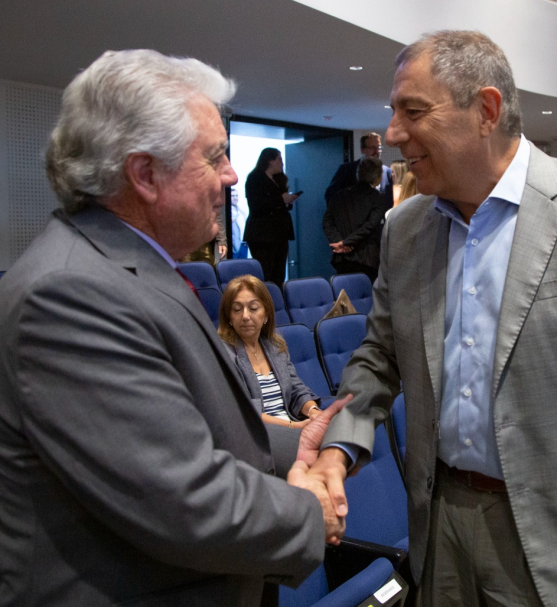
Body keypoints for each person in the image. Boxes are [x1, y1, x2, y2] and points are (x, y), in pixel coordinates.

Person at [311, 30, 557, 607]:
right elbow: (379, 357)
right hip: (439, 522)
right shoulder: (406, 227)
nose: (392, 134)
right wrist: (337, 447)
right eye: (393, 113)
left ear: (486, 111)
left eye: (412, 111)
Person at [0, 49, 348, 606]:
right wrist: (312, 512)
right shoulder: (68, 294)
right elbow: (181, 497)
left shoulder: (129, 267)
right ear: (144, 175)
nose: (231, 176)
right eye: (214, 158)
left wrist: (291, 445)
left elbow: (193, 428)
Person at [219, 274, 323, 428]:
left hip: (290, 427)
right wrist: (294, 427)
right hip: (257, 435)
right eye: (237, 309)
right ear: (229, 317)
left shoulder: (275, 346)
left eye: (253, 308)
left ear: (266, 313)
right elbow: (243, 410)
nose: (245, 316)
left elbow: (296, 390)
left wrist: (314, 412)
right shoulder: (223, 352)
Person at [322, 156, 385, 281]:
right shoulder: (377, 198)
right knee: (366, 298)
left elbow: (327, 222)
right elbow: (369, 226)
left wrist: (339, 242)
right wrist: (346, 243)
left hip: (342, 259)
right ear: (377, 176)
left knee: (344, 297)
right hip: (367, 259)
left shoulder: (339, 195)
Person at [243, 148, 298, 286]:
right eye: (279, 159)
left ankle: (277, 304)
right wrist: (280, 200)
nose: (282, 163)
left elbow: (277, 204)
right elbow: (256, 205)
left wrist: (287, 201)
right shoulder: (255, 178)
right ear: (269, 160)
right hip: (262, 234)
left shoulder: (278, 180)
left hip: (279, 233)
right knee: (265, 273)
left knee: (279, 274)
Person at [325, 132, 394, 211]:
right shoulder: (347, 169)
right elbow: (331, 194)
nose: (376, 151)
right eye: (372, 148)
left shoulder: (387, 172)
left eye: (378, 147)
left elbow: (389, 200)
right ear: (363, 149)